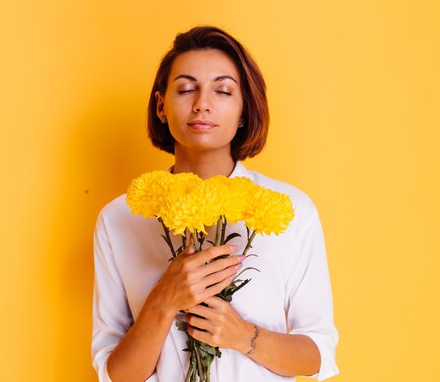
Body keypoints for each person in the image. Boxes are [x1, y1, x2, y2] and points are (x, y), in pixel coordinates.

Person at [91, 26, 339, 381]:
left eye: (222, 90)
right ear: (161, 105)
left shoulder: (293, 211)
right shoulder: (118, 218)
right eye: (186, 88)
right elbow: (115, 374)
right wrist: (164, 300)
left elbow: (317, 355)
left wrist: (243, 336)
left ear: (243, 111)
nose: (202, 104)